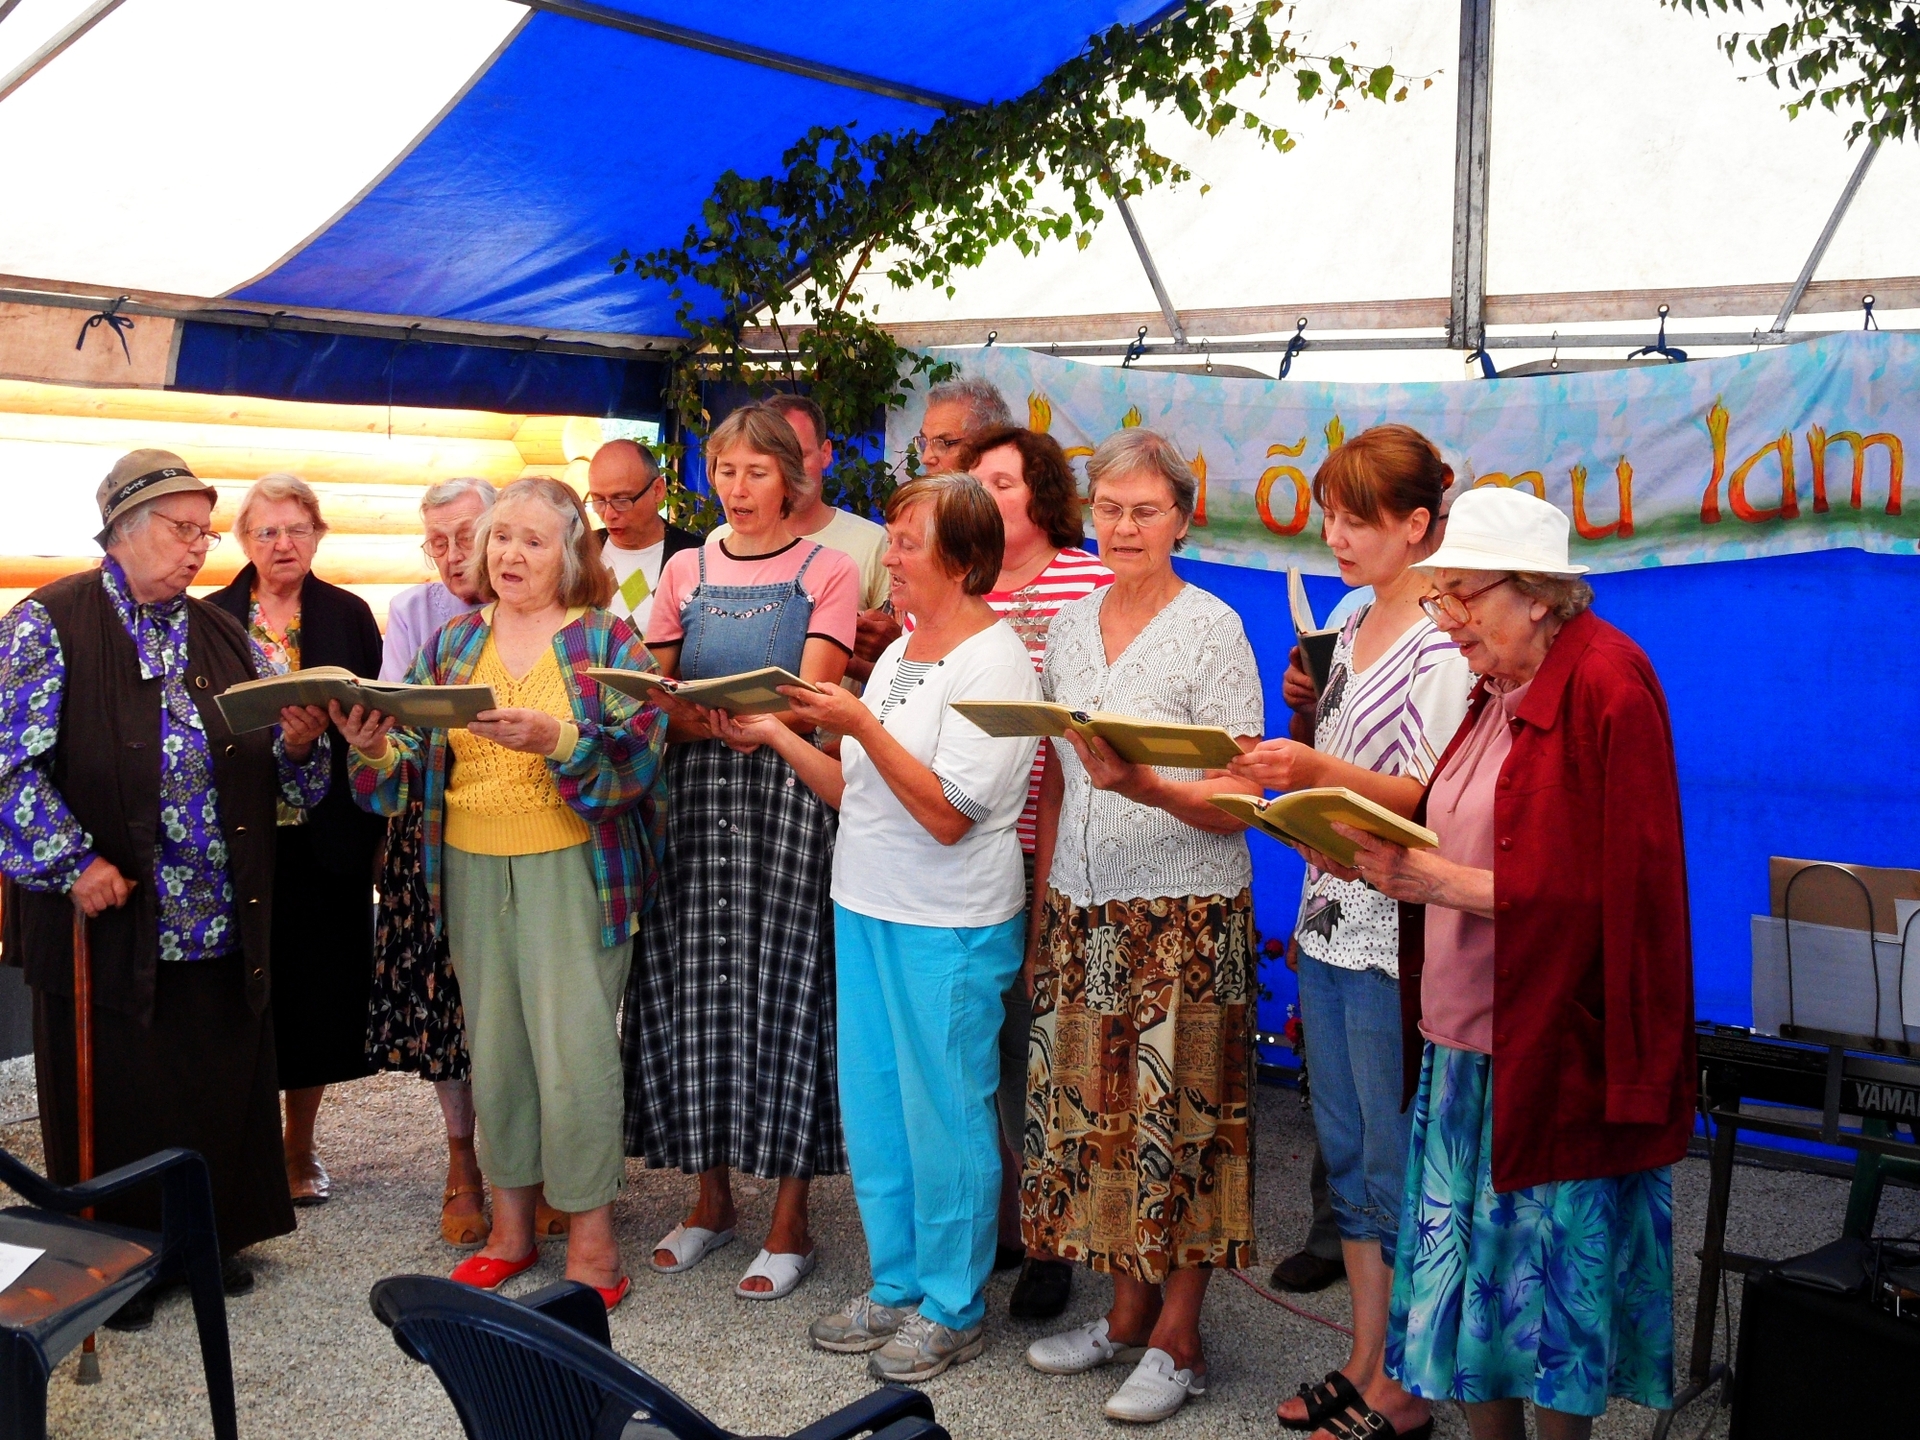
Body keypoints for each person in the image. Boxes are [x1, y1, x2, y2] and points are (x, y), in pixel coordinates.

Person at [1329, 485, 1694, 1440]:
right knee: (1466, 1315)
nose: (1445, 617)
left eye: (1461, 595)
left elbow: (1626, 894)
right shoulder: (1494, 687)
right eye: (1439, 595)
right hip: (1463, 1046)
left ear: (1536, 594)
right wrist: (1374, 845)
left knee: (1546, 1317)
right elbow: (1470, 825)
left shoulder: (1609, 684)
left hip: (1550, 1055)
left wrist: (1439, 881)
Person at [716, 471, 1041, 1382]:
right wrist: (780, 736)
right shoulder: (901, 651)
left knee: (947, 1115)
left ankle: (954, 1305)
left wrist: (857, 716)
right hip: (865, 903)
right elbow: (855, 791)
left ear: (965, 561)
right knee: (880, 1110)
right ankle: (897, 1283)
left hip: (950, 921)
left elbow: (948, 814)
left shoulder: (996, 662)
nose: (888, 557)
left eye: (906, 542)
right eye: (891, 538)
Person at [0, 449, 331, 1327]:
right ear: (122, 531)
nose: (197, 547)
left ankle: (202, 1240)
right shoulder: (49, 623)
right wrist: (73, 862)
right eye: (182, 530)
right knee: (121, 1086)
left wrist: (300, 745)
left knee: (212, 1075)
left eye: (204, 532)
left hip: (218, 911)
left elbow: (282, 776)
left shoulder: (224, 632)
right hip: (109, 914)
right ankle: (114, 1260)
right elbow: (7, 766)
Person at [338, 475, 668, 1310]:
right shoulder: (453, 643)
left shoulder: (607, 638)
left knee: (577, 1056)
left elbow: (642, 752)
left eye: (532, 539)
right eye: (500, 538)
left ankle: (592, 1242)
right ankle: (511, 1231)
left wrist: (556, 736)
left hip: (574, 870)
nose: (509, 553)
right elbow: (406, 767)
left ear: (570, 554)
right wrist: (372, 748)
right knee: (498, 1055)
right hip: (471, 869)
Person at [1229, 427, 1473, 1440]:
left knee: (1391, 1155)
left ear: (1416, 524)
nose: (1334, 536)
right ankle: (1368, 1358)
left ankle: (1407, 1377)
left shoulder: (1444, 637)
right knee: (1344, 1147)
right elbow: (1335, 750)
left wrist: (1311, 771)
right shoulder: (1350, 614)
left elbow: (1422, 792)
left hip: (1393, 928)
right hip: (1327, 913)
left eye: (1356, 519)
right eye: (1329, 515)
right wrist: (1292, 755)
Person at [1020, 428, 1265, 1424]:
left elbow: (1241, 799)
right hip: (1087, 909)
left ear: (1182, 521)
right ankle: (1126, 1314)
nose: (1125, 527)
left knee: (1187, 1122)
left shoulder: (1213, 630)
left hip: (1187, 915)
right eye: (1110, 509)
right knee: (1103, 1114)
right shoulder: (1069, 626)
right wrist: (1048, 902)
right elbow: (1058, 783)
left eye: (1146, 510)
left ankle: (1181, 1338)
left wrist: (1148, 787)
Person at [621, 404, 859, 1300]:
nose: (739, 487)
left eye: (757, 471)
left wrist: (713, 714)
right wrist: (701, 719)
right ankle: (710, 1199)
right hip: (692, 798)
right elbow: (652, 699)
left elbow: (813, 701)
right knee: (692, 988)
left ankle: (791, 1217)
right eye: (726, 470)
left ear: (791, 480)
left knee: (789, 987)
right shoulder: (684, 567)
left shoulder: (828, 569)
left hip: (787, 797)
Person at [952, 424, 1112, 1320]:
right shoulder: (958, 586)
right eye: (974, 481)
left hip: (1050, 847)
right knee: (979, 1045)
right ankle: (1009, 1220)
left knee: (1039, 1046)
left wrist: (1050, 881)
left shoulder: (1089, 584)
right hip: (958, 845)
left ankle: (1053, 1240)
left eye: (1003, 482)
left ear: (1044, 497)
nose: (985, 495)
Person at [208, 474, 388, 1209]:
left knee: (314, 989)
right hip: (235, 833)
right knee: (236, 992)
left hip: (325, 831)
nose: (283, 544)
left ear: (318, 536)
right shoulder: (211, 616)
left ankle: (298, 1144)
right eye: (267, 531)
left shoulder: (348, 613)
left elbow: (375, 717)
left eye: (296, 529)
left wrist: (328, 739)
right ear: (245, 542)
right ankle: (242, 1141)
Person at [367, 475, 499, 1247]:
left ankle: (535, 1160)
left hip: (521, 813)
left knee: (523, 997)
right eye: (437, 541)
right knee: (445, 1000)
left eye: (467, 535)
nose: (453, 554)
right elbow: (395, 718)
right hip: (431, 816)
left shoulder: (549, 607)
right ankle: (462, 1161)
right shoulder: (415, 612)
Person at [585, 439, 700, 632]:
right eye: (598, 500)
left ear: (658, 490)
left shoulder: (695, 557)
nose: (609, 514)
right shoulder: (580, 552)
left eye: (622, 500)